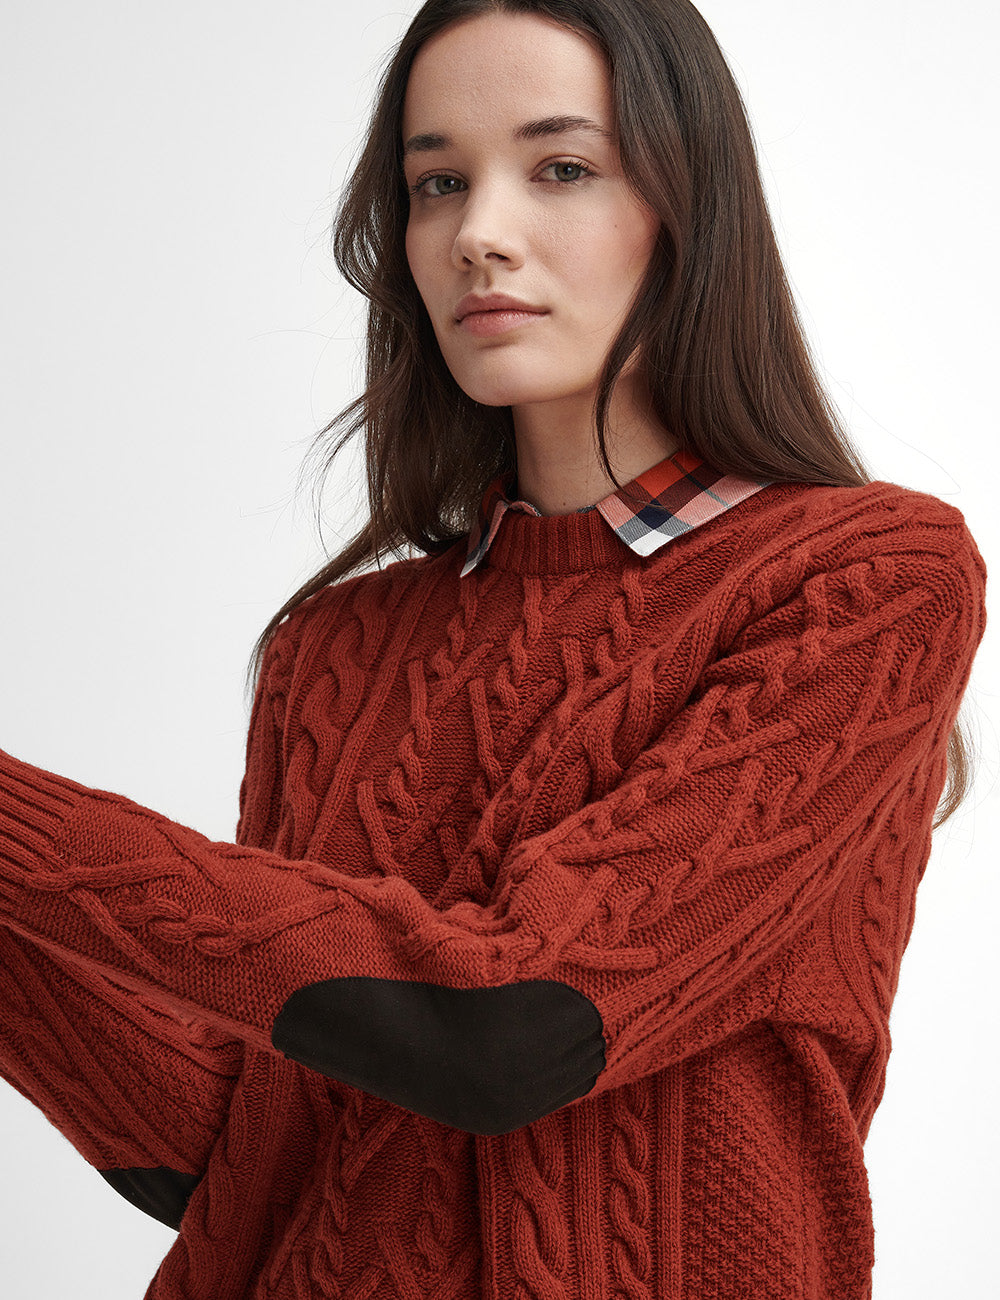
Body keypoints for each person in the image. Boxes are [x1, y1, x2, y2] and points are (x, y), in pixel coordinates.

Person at [0, 1, 987, 1297]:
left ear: (690, 208)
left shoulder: (862, 581)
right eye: (438, 183)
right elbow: (229, 1152)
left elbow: (513, 1028)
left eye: (560, 167)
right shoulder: (330, 649)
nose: (478, 231)